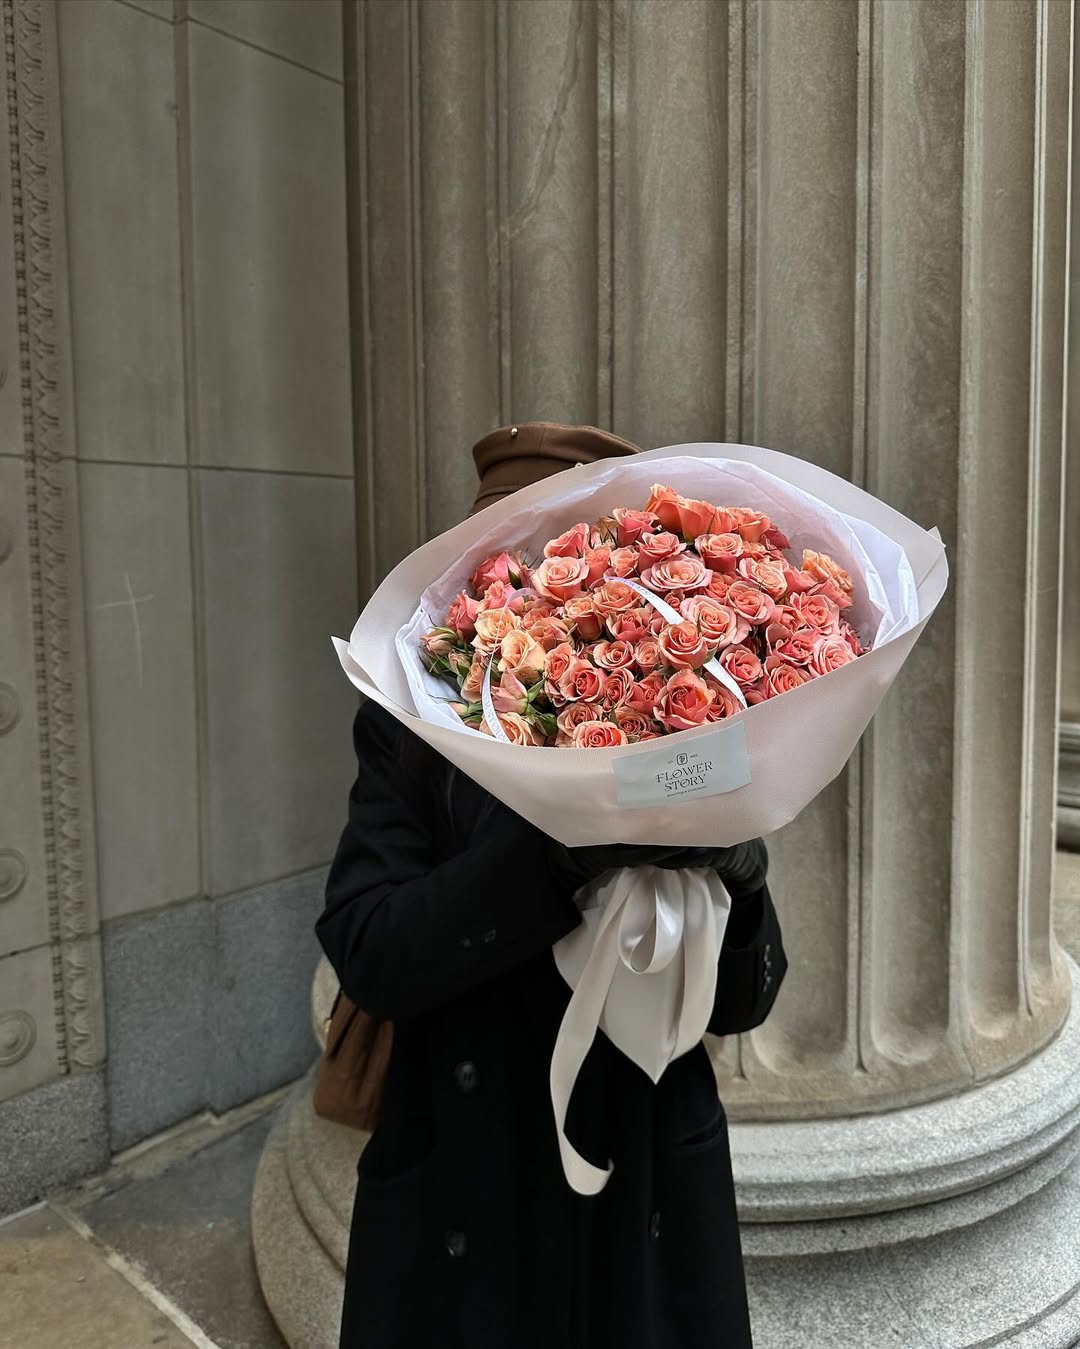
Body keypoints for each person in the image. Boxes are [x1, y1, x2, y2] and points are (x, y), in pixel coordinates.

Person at [315, 422, 788, 1349]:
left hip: (641, 1183)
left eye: (554, 553)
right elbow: (369, 950)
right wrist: (556, 858)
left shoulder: (678, 711)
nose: (523, 583)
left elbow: (743, 1000)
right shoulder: (409, 730)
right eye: (503, 559)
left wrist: (741, 869)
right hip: (467, 1188)